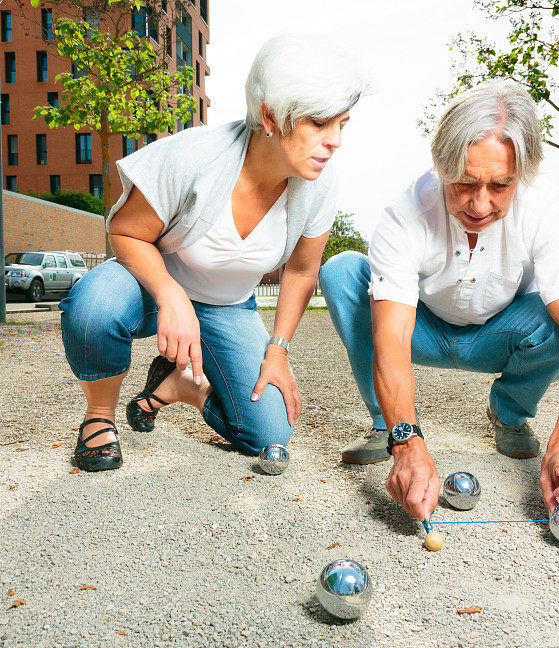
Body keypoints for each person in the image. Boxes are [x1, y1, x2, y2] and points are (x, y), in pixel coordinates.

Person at [59, 34, 368, 472]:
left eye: (343, 124)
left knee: (268, 435)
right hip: (152, 286)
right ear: (269, 116)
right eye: (320, 123)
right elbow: (125, 231)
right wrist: (170, 295)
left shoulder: (320, 183)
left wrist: (277, 351)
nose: (335, 140)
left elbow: (301, 271)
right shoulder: (193, 156)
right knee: (94, 309)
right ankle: (100, 417)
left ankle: (183, 385)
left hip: (228, 307)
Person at [319, 80, 559, 520]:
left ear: (522, 175)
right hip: (424, 330)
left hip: (503, 333)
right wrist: (408, 441)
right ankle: (388, 426)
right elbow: (392, 338)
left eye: (500, 185)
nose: (480, 203)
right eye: (465, 182)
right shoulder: (406, 212)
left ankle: (510, 414)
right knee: (342, 272)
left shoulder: (547, 207)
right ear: (441, 166)